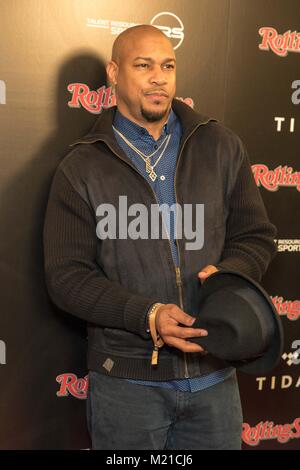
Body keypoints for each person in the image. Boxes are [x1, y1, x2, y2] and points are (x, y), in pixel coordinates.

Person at [43, 25, 277, 450]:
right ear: (114, 73)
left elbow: (256, 236)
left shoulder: (221, 146)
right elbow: (67, 277)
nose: (159, 77)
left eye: (168, 65)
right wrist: (147, 314)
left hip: (214, 377)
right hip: (127, 387)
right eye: (143, 65)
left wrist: (226, 276)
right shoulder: (80, 168)